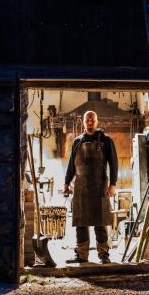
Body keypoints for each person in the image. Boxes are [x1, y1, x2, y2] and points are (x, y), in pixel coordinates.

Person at [63, 110, 118, 264]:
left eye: (92, 119)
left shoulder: (106, 141)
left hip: (100, 187)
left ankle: (103, 255)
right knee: (81, 223)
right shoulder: (77, 141)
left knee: (100, 222)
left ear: (97, 121)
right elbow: (71, 166)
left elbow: (114, 164)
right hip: (80, 188)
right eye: (87, 120)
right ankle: (81, 255)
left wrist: (113, 184)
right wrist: (66, 183)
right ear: (83, 121)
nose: (90, 122)